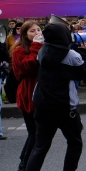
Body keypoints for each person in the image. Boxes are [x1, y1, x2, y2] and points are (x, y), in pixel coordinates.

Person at [26, 22, 86, 171]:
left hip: (42, 106)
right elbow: (84, 72)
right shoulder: (72, 55)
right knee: (74, 143)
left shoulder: (41, 52)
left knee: (40, 147)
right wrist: (84, 53)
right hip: (65, 108)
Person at [10, 21, 43, 170]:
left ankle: (24, 162)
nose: (37, 33)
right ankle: (24, 165)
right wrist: (36, 46)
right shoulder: (19, 50)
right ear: (24, 34)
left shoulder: (40, 46)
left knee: (36, 134)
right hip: (28, 92)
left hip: (39, 91)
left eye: (38, 30)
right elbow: (29, 66)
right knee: (34, 134)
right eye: (32, 31)